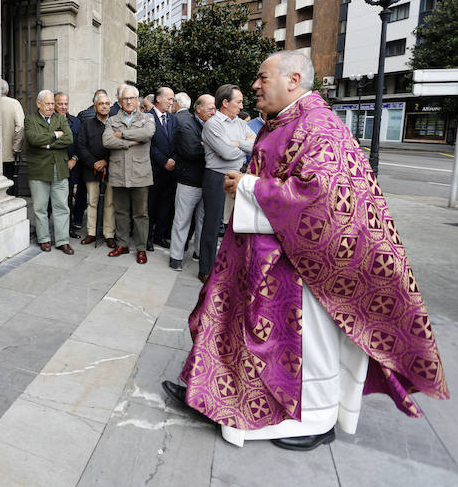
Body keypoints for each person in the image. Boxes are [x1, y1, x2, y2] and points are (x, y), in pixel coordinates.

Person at [164, 50, 449, 451]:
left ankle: (313, 421)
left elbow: (321, 198)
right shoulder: (286, 120)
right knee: (239, 328)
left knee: (303, 347)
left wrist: (245, 187)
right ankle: (212, 395)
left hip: (301, 267)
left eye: (262, 78)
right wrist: (248, 184)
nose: (255, 86)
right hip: (265, 254)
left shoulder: (318, 125)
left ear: (293, 80)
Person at [197, 84, 255, 284]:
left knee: (234, 225)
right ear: (225, 103)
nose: (241, 106)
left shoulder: (240, 123)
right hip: (216, 177)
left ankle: (228, 267)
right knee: (212, 225)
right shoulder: (213, 124)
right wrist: (240, 145)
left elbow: (255, 144)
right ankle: (206, 269)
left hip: (238, 176)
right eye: (238, 102)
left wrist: (235, 144)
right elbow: (227, 153)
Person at [102, 85, 155, 264]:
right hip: (118, 173)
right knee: (121, 212)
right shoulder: (111, 120)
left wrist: (122, 134)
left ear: (138, 100)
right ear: (120, 101)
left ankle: (141, 248)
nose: (129, 102)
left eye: (132, 98)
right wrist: (130, 142)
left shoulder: (147, 118)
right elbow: (107, 140)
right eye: (126, 99)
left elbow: (147, 134)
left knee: (141, 213)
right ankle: (122, 244)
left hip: (140, 174)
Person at [25, 89, 75, 255]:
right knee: (40, 208)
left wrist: (47, 144)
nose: (51, 107)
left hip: (59, 169)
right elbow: (33, 139)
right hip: (39, 170)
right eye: (47, 103)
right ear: (38, 103)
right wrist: (55, 134)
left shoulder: (60, 118)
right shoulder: (30, 120)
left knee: (62, 206)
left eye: (53, 103)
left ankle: (62, 241)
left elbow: (68, 139)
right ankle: (44, 239)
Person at [168, 94, 214, 270]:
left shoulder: (213, 125)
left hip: (207, 181)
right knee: (182, 220)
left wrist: (205, 145)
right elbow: (191, 151)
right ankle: (176, 257)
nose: (213, 111)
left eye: (214, 108)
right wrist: (213, 148)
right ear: (198, 109)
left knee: (203, 220)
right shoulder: (186, 123)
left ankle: (198, 252)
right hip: (188, 181)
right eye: (209, 108)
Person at [77, 91, 116, 247]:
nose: (104, 106)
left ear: (110, 106)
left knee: (110, 203)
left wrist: (106, 162)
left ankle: (109, 234)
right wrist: (94, 163)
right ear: (95, 107)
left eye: (107, 103)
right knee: (92, 202)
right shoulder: (87, 124)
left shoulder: (115, 124)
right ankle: (91, 233)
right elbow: (81, 146)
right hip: (91, 169)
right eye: (101, 104)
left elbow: (118, 146)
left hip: (112, 169)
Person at [148, 87, 178, 250]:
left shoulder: (173, 119)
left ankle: (160, 235)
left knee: (165, 205)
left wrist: (173, 160)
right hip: (153, 169)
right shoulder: (147, 117)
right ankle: (147, 237)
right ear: (158, 99)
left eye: (173, 99)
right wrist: (163, 160)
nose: (171, 102)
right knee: (150, 205)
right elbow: (149, 144)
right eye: (169, 98)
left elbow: (177, 142)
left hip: (170, 171)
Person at [55, 91, 86, 238]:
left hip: (72, 166)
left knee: (68, 199)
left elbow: (81, 143)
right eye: (60, 103)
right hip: (53, 165)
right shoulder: (50, 121)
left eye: (65, 104)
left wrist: (74, 158)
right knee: (52, 200)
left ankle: (68, 230)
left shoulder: (76, 121)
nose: (63, 106)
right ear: (54, 104)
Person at [0, 79, 24, 196]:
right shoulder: (14, 103)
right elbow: (20, 127)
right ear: (8, 91)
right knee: (9, 187)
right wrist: (15, 148)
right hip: (8, 154)